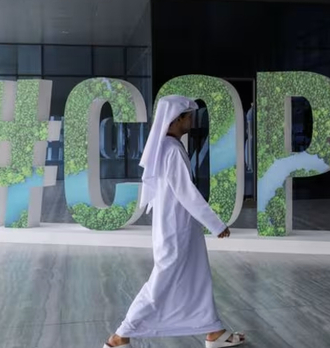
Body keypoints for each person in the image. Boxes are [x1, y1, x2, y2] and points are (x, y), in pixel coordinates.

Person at [104, 96, 245, 348]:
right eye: (188, 116)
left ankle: (213, 331)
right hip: (176, 228)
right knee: (162, 281)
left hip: (180, 226)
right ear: (176, 119)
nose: (191, 120)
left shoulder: (168, 147)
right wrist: (215, 224)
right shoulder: (171, 150)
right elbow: (185, 192)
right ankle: (120, 335)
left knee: (197, 277)